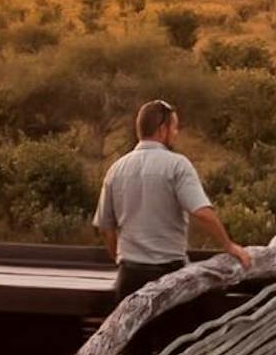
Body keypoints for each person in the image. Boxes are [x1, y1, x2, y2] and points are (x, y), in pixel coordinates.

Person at [93, 98, 249, 302]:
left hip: (129, 277)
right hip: (168, 276)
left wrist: (119, 259)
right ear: (162, 129)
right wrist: (229, 246)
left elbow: (105, 227)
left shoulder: (116, 169)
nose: (176, 134)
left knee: (136, 334)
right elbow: (202, 212)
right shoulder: (177, 166)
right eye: (174, 128)